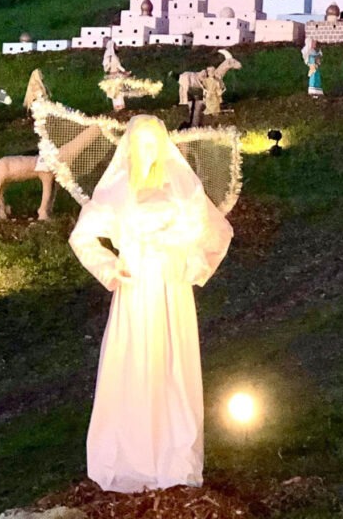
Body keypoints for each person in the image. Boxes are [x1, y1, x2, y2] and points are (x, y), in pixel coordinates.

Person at [68, 115, 233, 493]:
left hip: (171, 288)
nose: (147, 150)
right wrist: (111, 267)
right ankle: (132, 457)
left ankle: (174, 460)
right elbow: (83, 236)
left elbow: (213, 230)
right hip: (138, 286)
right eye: (140, 143)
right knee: (137, 361)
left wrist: (189, 257)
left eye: (153, 143)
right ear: (128, 146)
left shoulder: (181, 188)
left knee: (172, 364)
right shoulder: (117, 190)